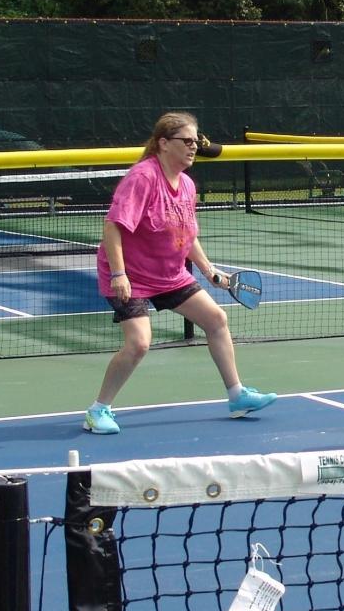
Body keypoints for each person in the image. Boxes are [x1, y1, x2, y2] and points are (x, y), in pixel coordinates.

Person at [84, 111, 276, 434]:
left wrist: (210, 270)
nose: (193, 148)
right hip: (131, 275)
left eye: (196, 143)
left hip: (170, 275)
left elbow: (185, 235)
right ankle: (97, 410)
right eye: (186, 142)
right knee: (139, 343)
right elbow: (113, 227)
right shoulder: (143, 178)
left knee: (216, 320)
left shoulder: (187, 185)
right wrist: (119, 274)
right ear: (163, 144)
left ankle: (236, 395)